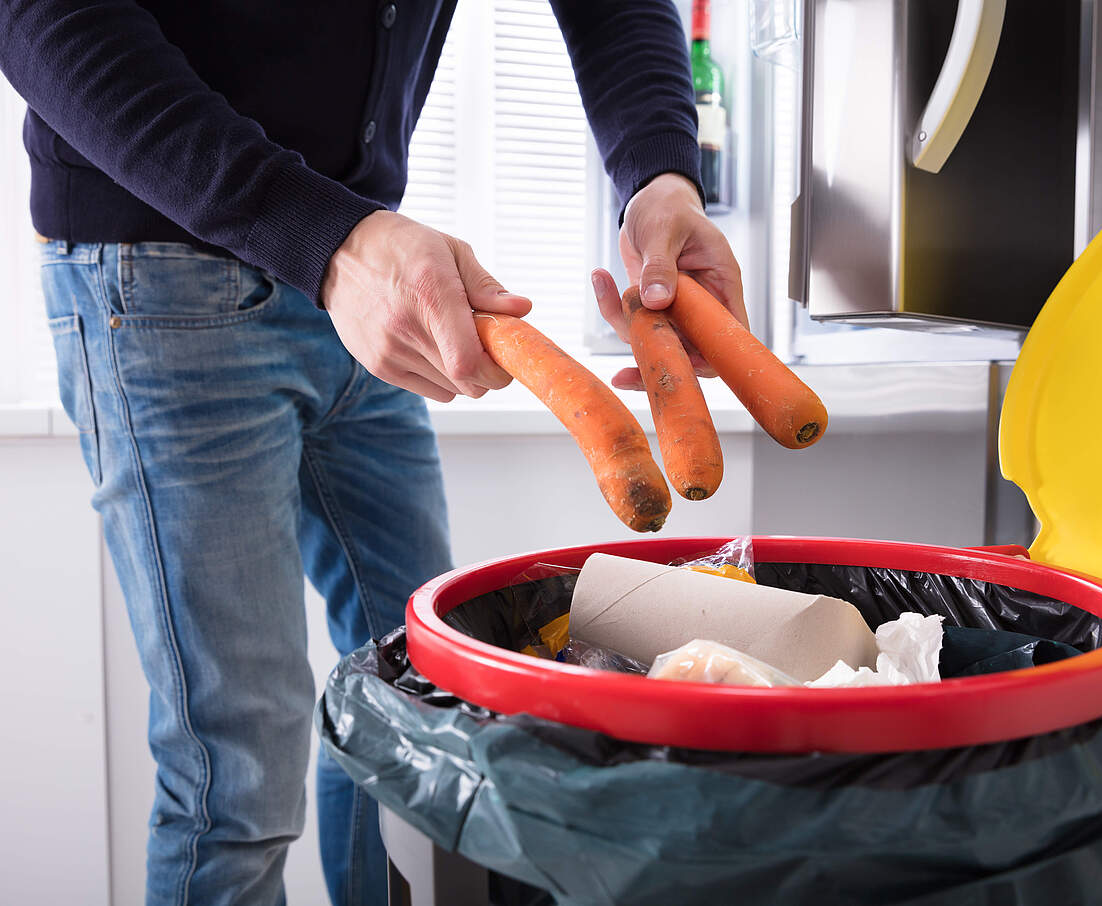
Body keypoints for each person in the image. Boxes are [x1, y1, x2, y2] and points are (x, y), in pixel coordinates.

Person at [0, 1, 744, 903]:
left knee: (417, 703)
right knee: (236, 776)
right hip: (167, 272)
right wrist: (325, 237)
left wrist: (661, 173)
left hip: (364, 271)